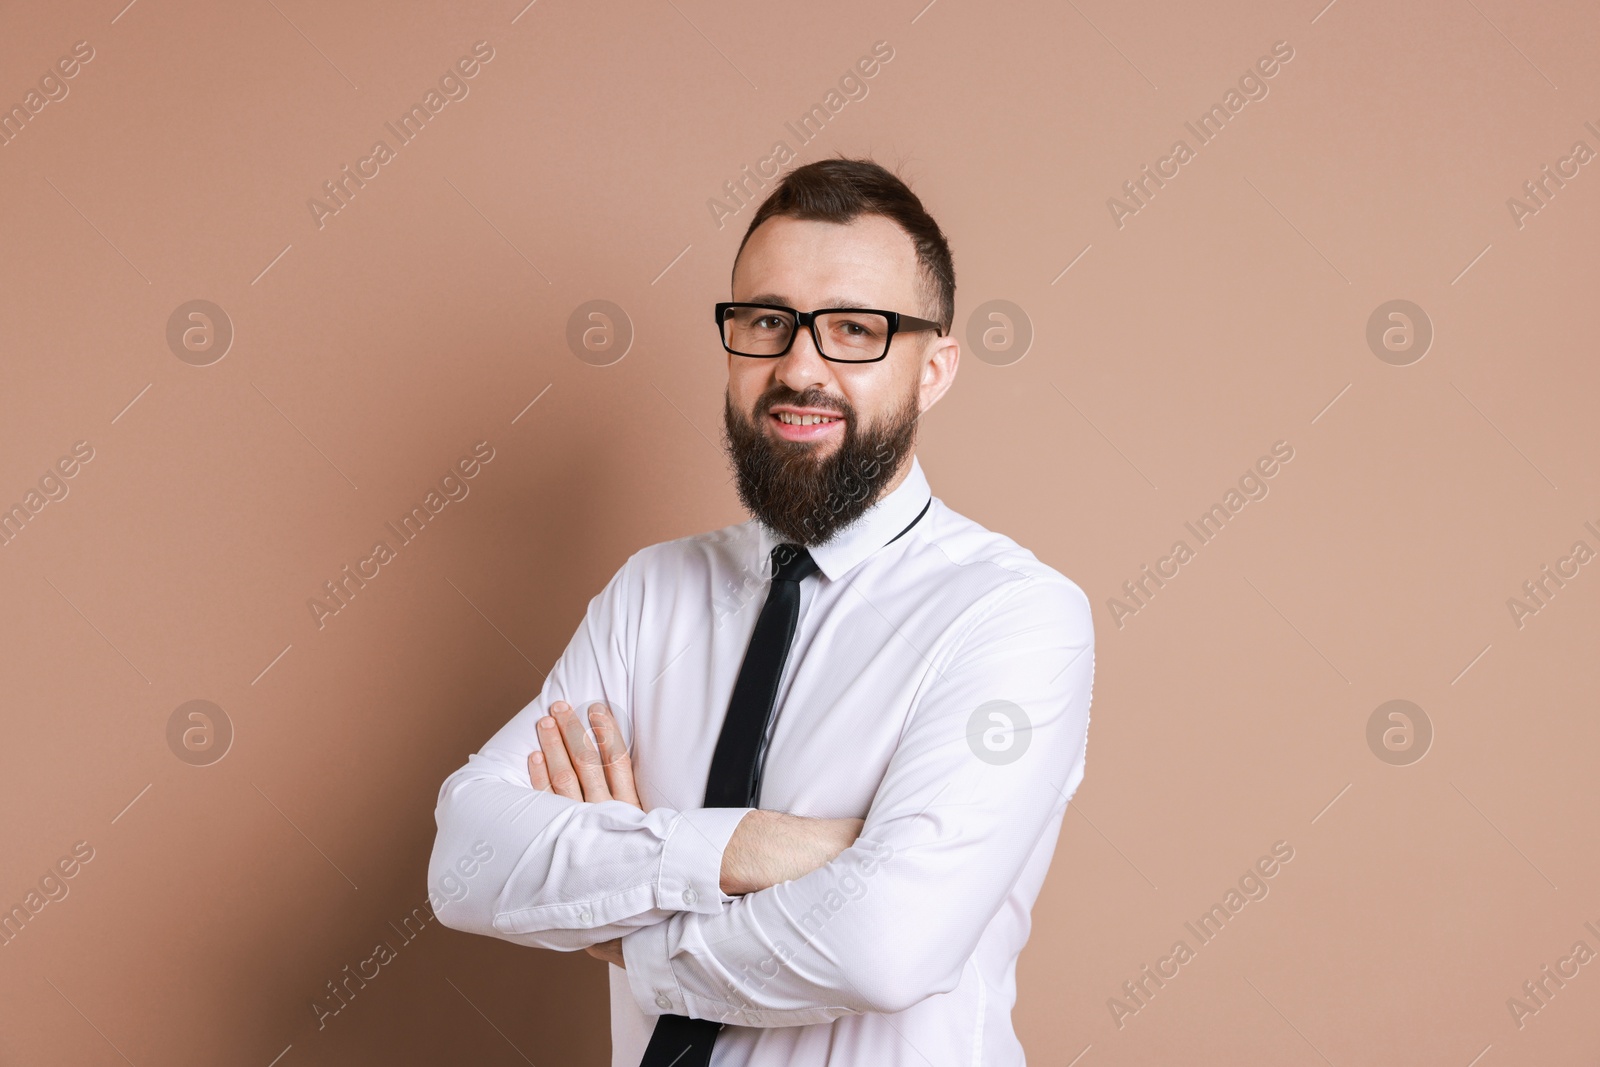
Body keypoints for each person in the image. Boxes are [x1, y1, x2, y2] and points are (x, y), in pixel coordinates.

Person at [429, 156, 1095, 1066]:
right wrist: (753, 847)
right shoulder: (650, 593)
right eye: (767, 322)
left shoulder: (1015, 618)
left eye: (856, 329)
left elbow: (887, 943)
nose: (799, 366)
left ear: (934, 368)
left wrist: (625, 926)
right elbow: (465, 857)